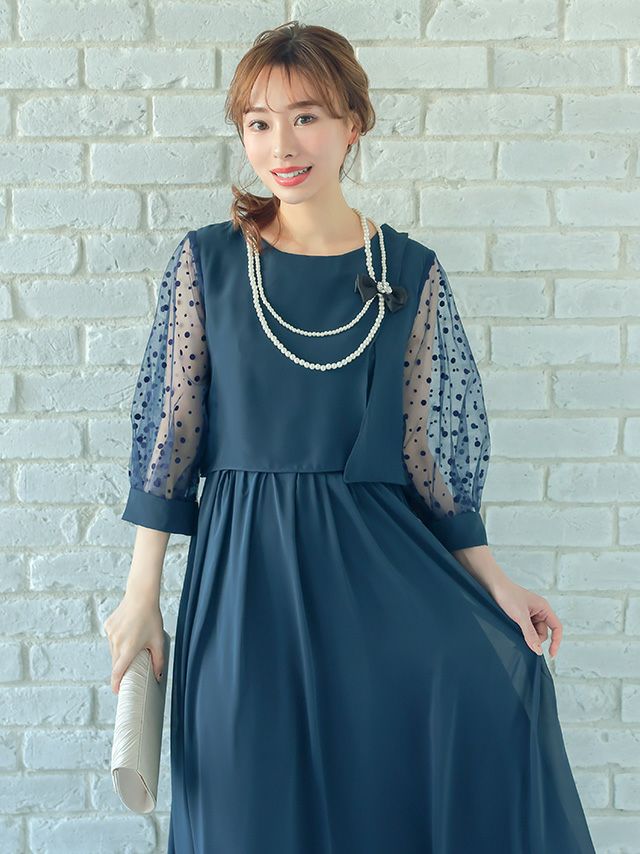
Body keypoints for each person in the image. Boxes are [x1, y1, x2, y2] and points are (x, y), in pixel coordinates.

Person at [104, 20, 597, 854]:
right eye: (259, 123)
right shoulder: (209, 263)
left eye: (306, 117)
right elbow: (170, 438)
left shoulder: (410, 270)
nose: (281, 145)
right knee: (243, 816)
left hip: (375, 579)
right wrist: (140, 595)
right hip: (244, 587)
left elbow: (431, 463)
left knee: (434, 753)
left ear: (351, 125)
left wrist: (496, 582)